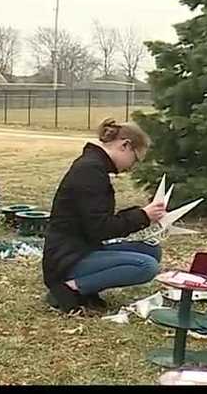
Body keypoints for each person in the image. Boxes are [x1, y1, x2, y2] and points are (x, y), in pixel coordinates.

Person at [42, 119, 165, 313]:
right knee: (147, 266)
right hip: (67, 258)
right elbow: (100, 228)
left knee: (152, 251)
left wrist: (144, 215)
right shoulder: (90, 171)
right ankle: (68, 288)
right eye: (136, 158)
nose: (133, 167)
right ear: (125, 145)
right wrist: (142, 216)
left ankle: (86, 286)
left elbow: (96, 219)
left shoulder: (94, 166)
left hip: (81, 247)